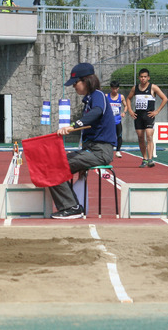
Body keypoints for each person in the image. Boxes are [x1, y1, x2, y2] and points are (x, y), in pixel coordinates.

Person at [50, 63, 116, 219]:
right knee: (54, 166)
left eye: (75, 83)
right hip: (91, 150)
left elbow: (97, 112)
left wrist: (73, 126)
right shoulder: (89, 100)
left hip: (100, 151)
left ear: (86, 81)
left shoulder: (98, 96)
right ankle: (72, 205)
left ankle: (72, 207)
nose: (74, 87)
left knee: (55, 166)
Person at [125, 68, 168, 168]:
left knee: (149, 135)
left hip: (149, 115)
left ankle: (150, 159)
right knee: (140, 138)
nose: (143, 79)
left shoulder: (153, 87)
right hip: (138, 116)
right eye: (141, 77)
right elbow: (128, 98)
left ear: (148, 77)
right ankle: (144, 158)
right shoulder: (135, 88)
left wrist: (157, 111)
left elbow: (165, 98)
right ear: (139, 77)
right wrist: (130, 111)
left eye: (145, 77)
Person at [106, 80, 126, 158]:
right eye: (113, 88)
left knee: (119, 136)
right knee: (109, 136)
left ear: (118, 88)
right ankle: (108, 151)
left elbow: (126, 105)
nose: (114, 90)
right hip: (109, 121)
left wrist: (124, 112)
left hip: (117, 120)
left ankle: (118, 151)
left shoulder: (121, 97)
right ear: (111, 88)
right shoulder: (106, 96)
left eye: (116, 88)